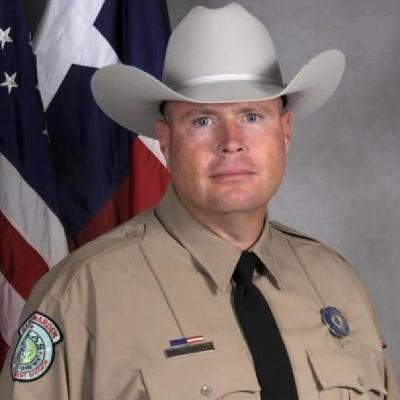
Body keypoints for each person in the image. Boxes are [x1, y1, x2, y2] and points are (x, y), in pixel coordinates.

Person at [0, 3, 398, 399]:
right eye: (203, 120)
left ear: (285, 131)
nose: (231, 143)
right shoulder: (81, 298)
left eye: (252, 116)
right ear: (165, 138)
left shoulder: (337, 283)